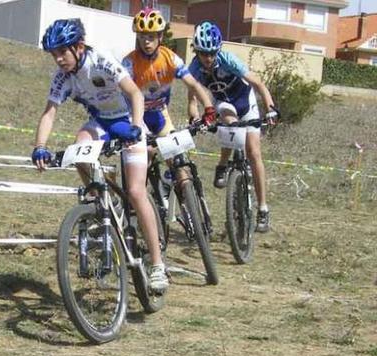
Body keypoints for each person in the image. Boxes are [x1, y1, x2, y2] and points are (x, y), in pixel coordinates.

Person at [32, 18, 169, 293]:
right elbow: (50, 113)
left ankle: (157, 265)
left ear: (79, 47)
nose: (58, 59)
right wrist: (40, 146)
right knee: (78, 149)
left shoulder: (100, 60)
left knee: (136, 190)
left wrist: (135, 127)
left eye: (62, 52)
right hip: (102, 123)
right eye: (54, 54)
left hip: (129, 119)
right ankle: (102, 199)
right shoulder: (62, 78)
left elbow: (134, 93)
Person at [187, 21, 278, 232]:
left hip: (246, 101)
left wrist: (271, 108)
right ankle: (223, 164)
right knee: (230, 125)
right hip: (225, 103)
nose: (208, 59)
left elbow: (258, 84)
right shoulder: (194, 67)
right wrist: (193, 113)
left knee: (254, 153)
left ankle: (263, 207)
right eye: (203, 54)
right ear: (197, 51)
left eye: (211, 53)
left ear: (218, 50)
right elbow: (191, 94)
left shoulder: (228, 60)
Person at [122, 8, 216, 140]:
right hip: (134, 114)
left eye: (151, 36)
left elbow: (193, 84)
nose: (146, 41)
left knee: (176, 154)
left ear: (160, 36)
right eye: (142, 36)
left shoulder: (171, 59)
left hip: (159, 113)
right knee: (146, 151)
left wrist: (208, 107)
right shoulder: (129, 62)